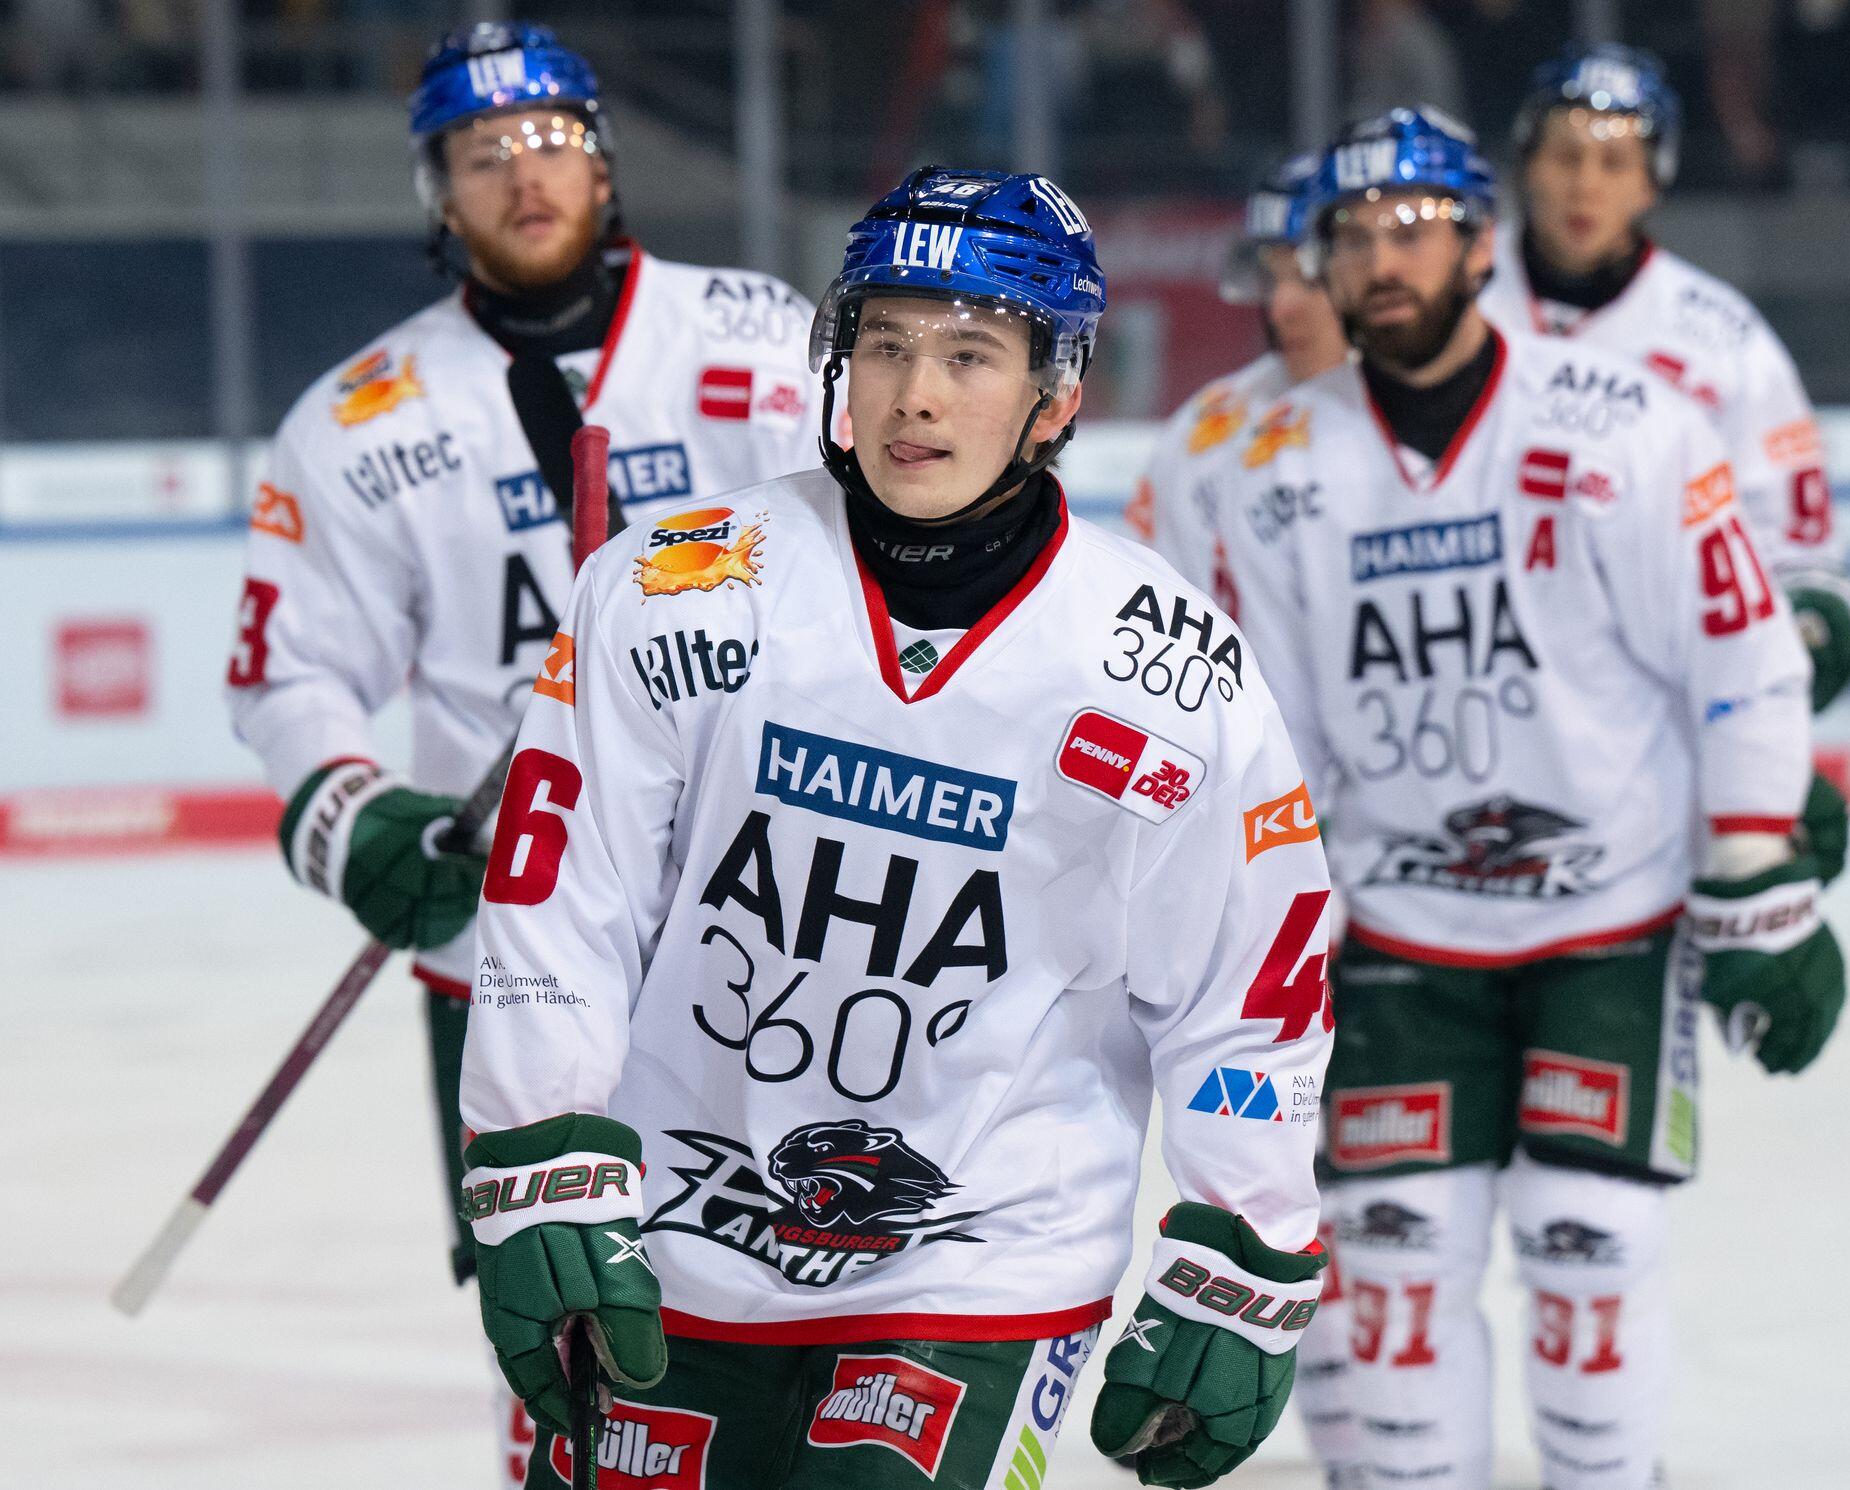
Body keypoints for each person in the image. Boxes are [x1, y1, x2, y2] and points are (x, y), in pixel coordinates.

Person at [457, 165, 1334, 1490]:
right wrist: (543, 1144)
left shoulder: (1164, 671)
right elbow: (563, 897)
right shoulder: (676, 587)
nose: (915, 393)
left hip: (986, 1252)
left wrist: (1243, 1245)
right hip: (673, 1229)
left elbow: (1245, 987)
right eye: (884, 345)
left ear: (1057, 395)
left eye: (969, 355)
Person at [1220, 108, 1848, 1490]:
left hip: (1608, 923)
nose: (1381, 259)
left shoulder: (1625, 424)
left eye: (1413, 228)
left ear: (1479, 245)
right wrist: (1263, 942)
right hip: (1398, 937)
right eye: (1350, 236)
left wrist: (1760, 869)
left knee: (1589, 1245)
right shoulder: (1269, 471)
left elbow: (1739, 655)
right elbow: (1273, 746)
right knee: (1389, 1267)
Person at [222, 21, 815, 1480]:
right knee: (561, 1320)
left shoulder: (758, 337)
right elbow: (288, 667)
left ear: (602, 160)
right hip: (514, 938)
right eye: (480, 153)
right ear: (438, 194)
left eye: (548, 138)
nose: (521, 172)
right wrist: (352, 813)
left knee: (807, 1283)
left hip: (776, 915)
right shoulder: (360, 420)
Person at [1481, 42, 1850, 714]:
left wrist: (1799, 630)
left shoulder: (1723, 339)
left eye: (1615, 163)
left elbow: (1798, 548)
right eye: (1565, 157)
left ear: (1652, 182)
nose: (1585, 185)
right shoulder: (1451, 305)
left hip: (1658, 696)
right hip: (1476, 673)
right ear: (1526, 165)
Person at [1131, 150, 1351, 611]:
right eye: (1271, 279)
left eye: (1311, 279)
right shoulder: (1205, 431)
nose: (1280, 308)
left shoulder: (1447, 413)